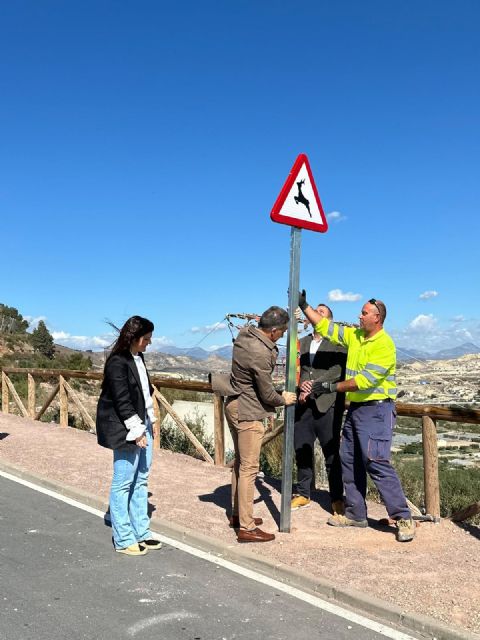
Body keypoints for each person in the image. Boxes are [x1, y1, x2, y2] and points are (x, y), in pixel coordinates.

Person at [298, 292, 415, 542]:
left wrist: (330, 388)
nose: (359, 316)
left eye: (363, 313)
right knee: (348, 459)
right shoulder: (356, 337)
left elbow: (364, 381)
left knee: (376, 462)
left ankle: (403, 517)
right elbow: (325, 326)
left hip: (377, 410)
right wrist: (304, 305)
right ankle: (356, 514)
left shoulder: (384, 345)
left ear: (377, 318)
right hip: (357, 410)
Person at [211, 306, 296, 543]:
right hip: (248, 411)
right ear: (274, 330)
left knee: (241, 464)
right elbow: (267, 392)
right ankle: (246, 527)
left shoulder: (245, 335)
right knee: (249, 469)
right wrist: (283, 399)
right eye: (283, 332)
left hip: (234, 403)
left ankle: (239, 515)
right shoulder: (260, 352)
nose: (282, 336)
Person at [96, 316, 162, 556]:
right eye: (146, 339)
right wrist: (137, 431)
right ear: (134, 337)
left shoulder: (138, 357)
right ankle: (123, 538)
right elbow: (122, 401)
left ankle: (141, 531)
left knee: (142, 478)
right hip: (126, 428)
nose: (149, 343)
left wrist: (151, 420)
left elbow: (145, 393)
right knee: (123, 481)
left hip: (142, 422)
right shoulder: (117, 362)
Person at [291, 303, 347, 516]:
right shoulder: (302, 342)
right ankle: (304, 493)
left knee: (331, 454)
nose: (316, 314)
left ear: (328, 321)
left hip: (328, 405)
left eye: (321, 313)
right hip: (304, 405)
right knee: (302, 450)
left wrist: (312, 387)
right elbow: (301, 369)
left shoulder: (337, 342)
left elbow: (337, 371)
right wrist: (304, 386)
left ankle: (336, 498)